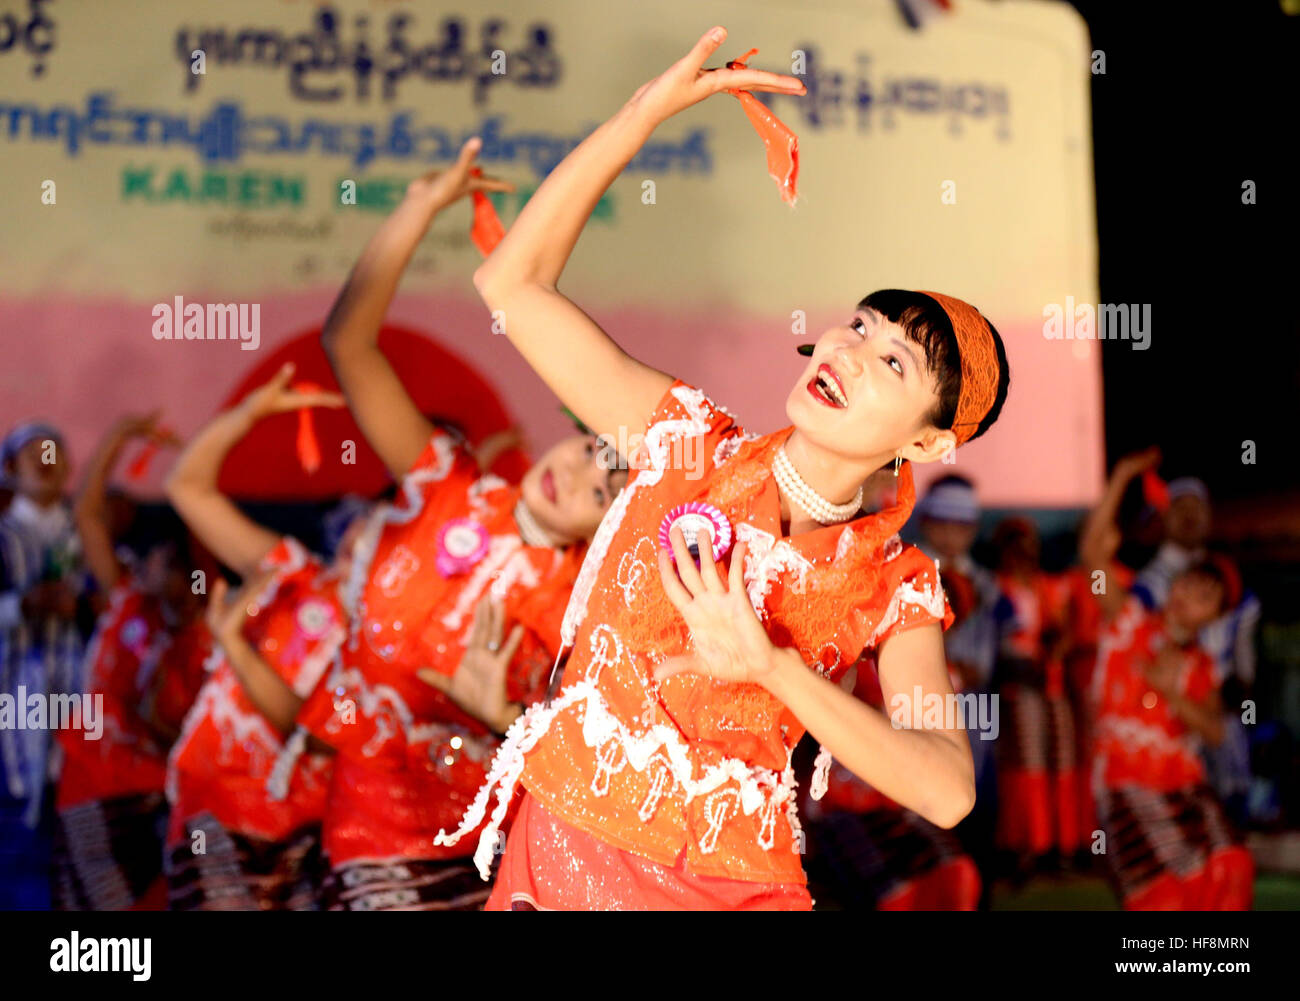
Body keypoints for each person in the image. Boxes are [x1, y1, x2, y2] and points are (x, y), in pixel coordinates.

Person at [433, 27, 1012, 910]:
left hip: (729, 888)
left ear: (929, 444)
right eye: (860, 326)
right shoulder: (681, 438)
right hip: (559, 861)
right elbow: (512, 285)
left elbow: (946, 786)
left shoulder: (896, 585)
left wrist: (770, 666)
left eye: (895, 363)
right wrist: (648, 111)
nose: (853, 353)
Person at [288, 152, 628, 910]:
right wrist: (420, 204)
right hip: (368, 832)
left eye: (605, 490)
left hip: (491, 851)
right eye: (587, 451)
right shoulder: (447, 480)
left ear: (612, 525)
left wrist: (502, 715)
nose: (576, 475)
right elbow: (348, 342)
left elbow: (591, 761)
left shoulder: (583, 606)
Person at [163, 369, 354, 910]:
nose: (364, 526)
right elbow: (187, 487)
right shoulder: (294, 570)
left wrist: (236, 646)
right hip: (214, 808)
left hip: (301, 832)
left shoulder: (395, 631)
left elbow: (312, 729)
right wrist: (248, 415)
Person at [1079, 453, 1253, 909]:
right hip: (1126, 782)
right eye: (1188, 586)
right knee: (1163, 896)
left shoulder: (1202, 665)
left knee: (1230, 867)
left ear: (1215, 617)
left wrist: (1171, 690)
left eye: (1204, 598)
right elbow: (1094, 556)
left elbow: (1216, 730)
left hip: (1184, 783)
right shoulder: (1129, 621)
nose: (1188, 598)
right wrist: (1120, 479)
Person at [52, 414, 209, 910]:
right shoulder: (126, 600)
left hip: (158, 798)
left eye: (158, 560)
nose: (144, 566)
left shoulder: (208, 638)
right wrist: (119, 434)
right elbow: (87, 516)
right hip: (91, 785)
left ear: (184, 572)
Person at [0, 421, 93, 908]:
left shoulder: (87, 531)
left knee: (75, 827)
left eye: (54, 452)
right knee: (17, 830)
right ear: (10, 468)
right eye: (33, 453)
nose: (45, 461)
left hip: (78, 703)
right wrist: (25, 605)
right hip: (12, 705)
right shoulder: (4, 536)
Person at [988, 516, 1081, 873]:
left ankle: (1063, 844)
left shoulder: (1048, 587)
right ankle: (1027, 844)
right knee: (1026, 762)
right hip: (1017, 686)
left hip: (1051, 683)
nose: (1022, 554)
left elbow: (1065, 627)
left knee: (1060, 759)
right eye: (1014, 546)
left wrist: (1058, 645)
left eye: (1026, 545)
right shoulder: (998, 588)